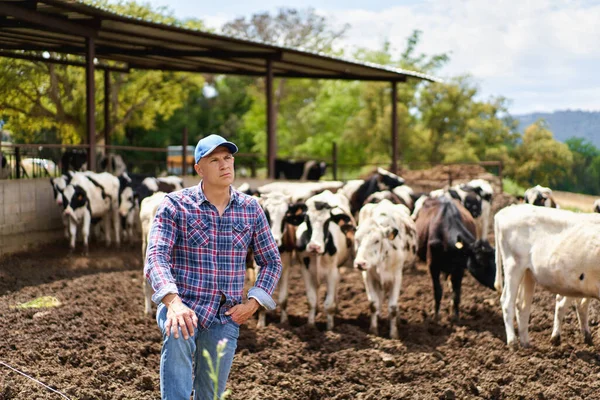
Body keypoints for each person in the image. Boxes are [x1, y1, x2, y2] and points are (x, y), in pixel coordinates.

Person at [145, 134, 282, 399]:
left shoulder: (251, 209)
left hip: (225, 316)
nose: (224, 165)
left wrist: (253, 303)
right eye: (214, 160)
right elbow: (156, 257)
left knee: (210, 394)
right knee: (178, 343)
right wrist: (173, 302)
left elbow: (271, 261)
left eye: (228, 158)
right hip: (183, 308)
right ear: (199, 169)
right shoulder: (175, 205)